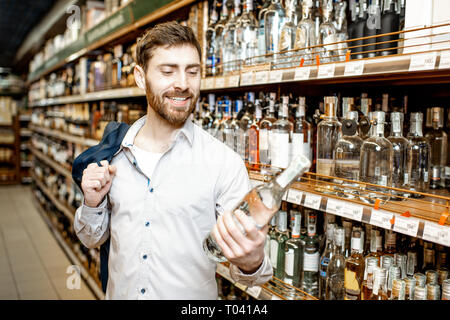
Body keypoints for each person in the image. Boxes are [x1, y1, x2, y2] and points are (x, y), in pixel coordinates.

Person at [74, 21, 272, 300]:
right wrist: (91, 204)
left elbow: (253, 276)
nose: (183, 84)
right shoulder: (114, 154)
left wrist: (251, 258)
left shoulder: (223, 163)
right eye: (168, 71)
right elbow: (91, 238)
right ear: (141, 77)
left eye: (192, 72)